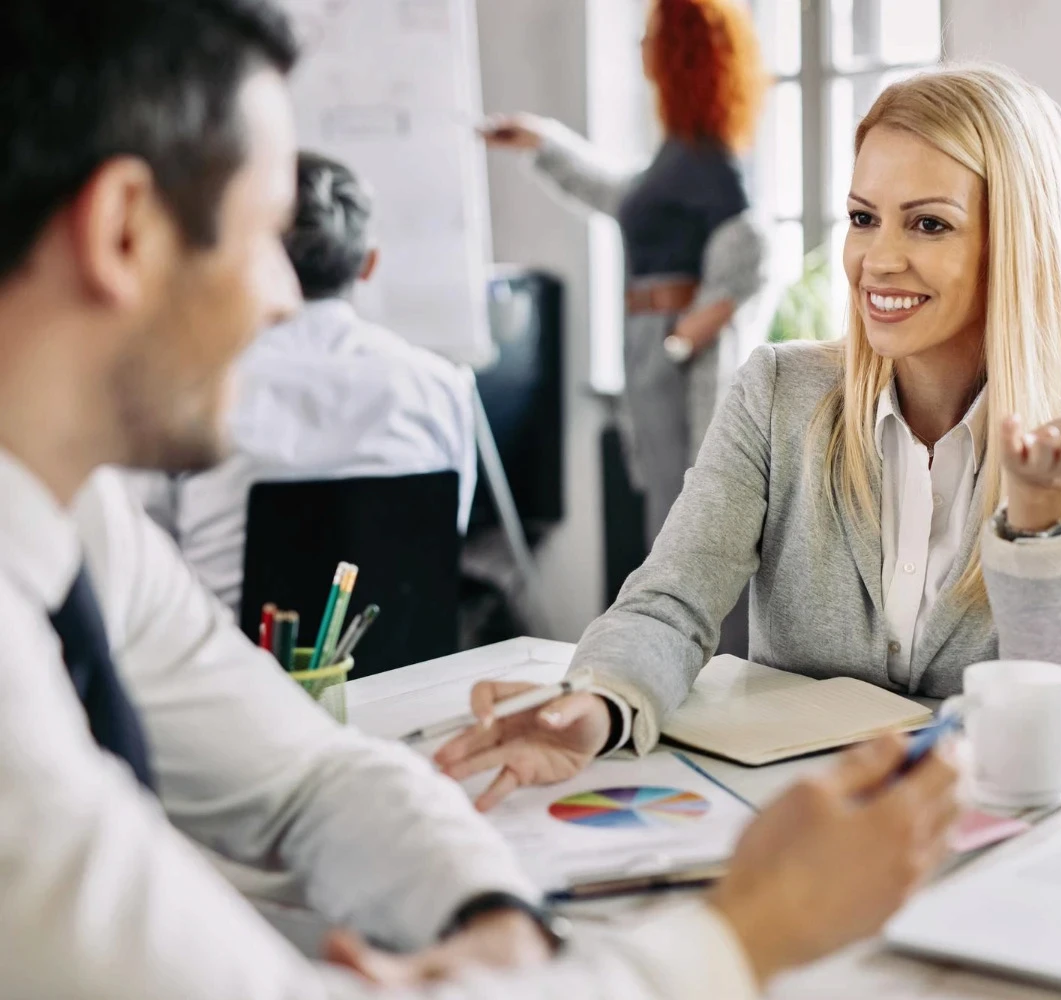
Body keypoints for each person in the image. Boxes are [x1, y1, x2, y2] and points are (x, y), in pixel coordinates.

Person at [0, 3, 959, 998]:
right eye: (262, 230)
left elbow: (310, 773)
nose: (290, 293)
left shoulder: (80, 522)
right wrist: (743, 935)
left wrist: (489, 922)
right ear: (122, 232)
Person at [437, 65, 1061, 810]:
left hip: (985, 841)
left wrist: (1044, 516)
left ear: (1012, 244)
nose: (878, 260)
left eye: (928, 223)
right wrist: (598, 705)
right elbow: (671, 604)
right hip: (794, 831)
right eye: (863, 217)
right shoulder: (778, 393)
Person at [133, 150, 477, 615]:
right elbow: (442, 538)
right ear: (368, 264)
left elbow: (143, 564)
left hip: (228, 669)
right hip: (404, 673)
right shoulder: (442, 387)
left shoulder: (186, 387)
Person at [481, 0, 769, 545]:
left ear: (680, 52)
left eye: (651, 35)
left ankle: (698, 634)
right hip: (653, 343)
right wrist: (541, 141)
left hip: (671, 349)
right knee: (667, 512)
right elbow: (622, 195)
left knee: (692, 518)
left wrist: (686, 338)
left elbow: (753, 245)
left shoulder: (708, 160)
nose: (641, 46)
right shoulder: (677, 153)